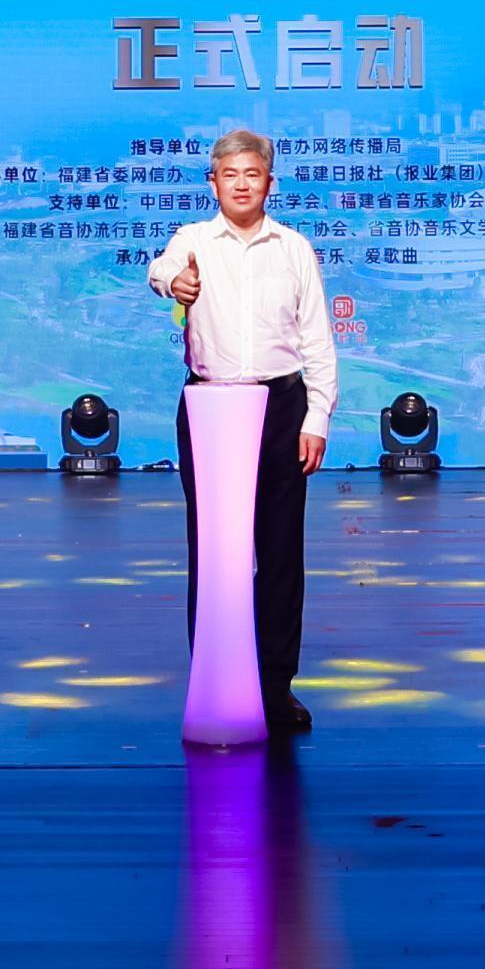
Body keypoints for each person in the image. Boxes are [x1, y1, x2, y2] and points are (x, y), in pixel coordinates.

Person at [146, 127, 339, 734]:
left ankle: (276, 685)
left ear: (269, 183)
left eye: (252, 175)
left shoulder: (294, 248)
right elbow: (161, 271)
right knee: (213, 551)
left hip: (281, 405)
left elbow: (317, 340)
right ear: (213, 183)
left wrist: (316, 416)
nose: (241, 185)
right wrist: (175, 284)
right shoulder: (193, 241)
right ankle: (214, 673)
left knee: (280, 552)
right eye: (229, 175)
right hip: (211, 406)